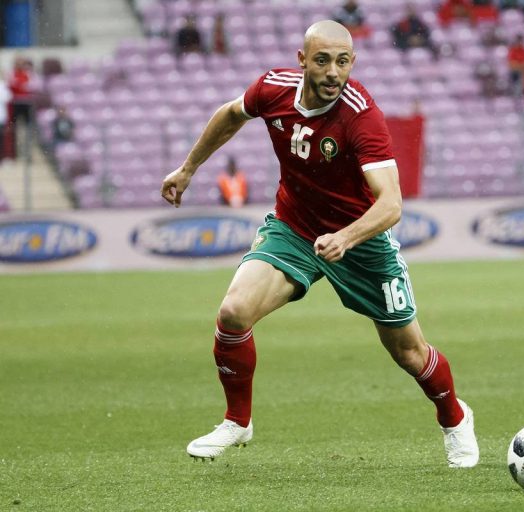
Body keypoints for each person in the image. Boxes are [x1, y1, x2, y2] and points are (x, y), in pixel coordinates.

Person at [160, 20, 479, 469]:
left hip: (361, 239)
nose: (333, 72)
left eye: (343, 62)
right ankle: (237, 420)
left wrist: (346, 237)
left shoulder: (361, 115)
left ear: (352, 62)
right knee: (233, 312)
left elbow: (391, 204)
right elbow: (231, 115)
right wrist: (188, 168)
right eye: (323, 60)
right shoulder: (272, 89)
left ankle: (454, 419)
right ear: (303, 60)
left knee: (409, 352)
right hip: (295, 228)